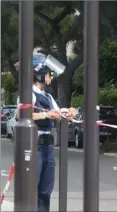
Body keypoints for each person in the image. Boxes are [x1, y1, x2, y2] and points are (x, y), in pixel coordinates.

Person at [16, 63, 77, 211]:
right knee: (32, 188)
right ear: (40, 76)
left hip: (47, 146)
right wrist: (45, 114)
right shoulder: (28, 94)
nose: (51, 78)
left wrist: (68, 111)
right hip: (34, 145)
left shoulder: (48, 96)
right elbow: (20, 115)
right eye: (49, 74)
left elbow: (57, 113)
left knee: (46, 189)